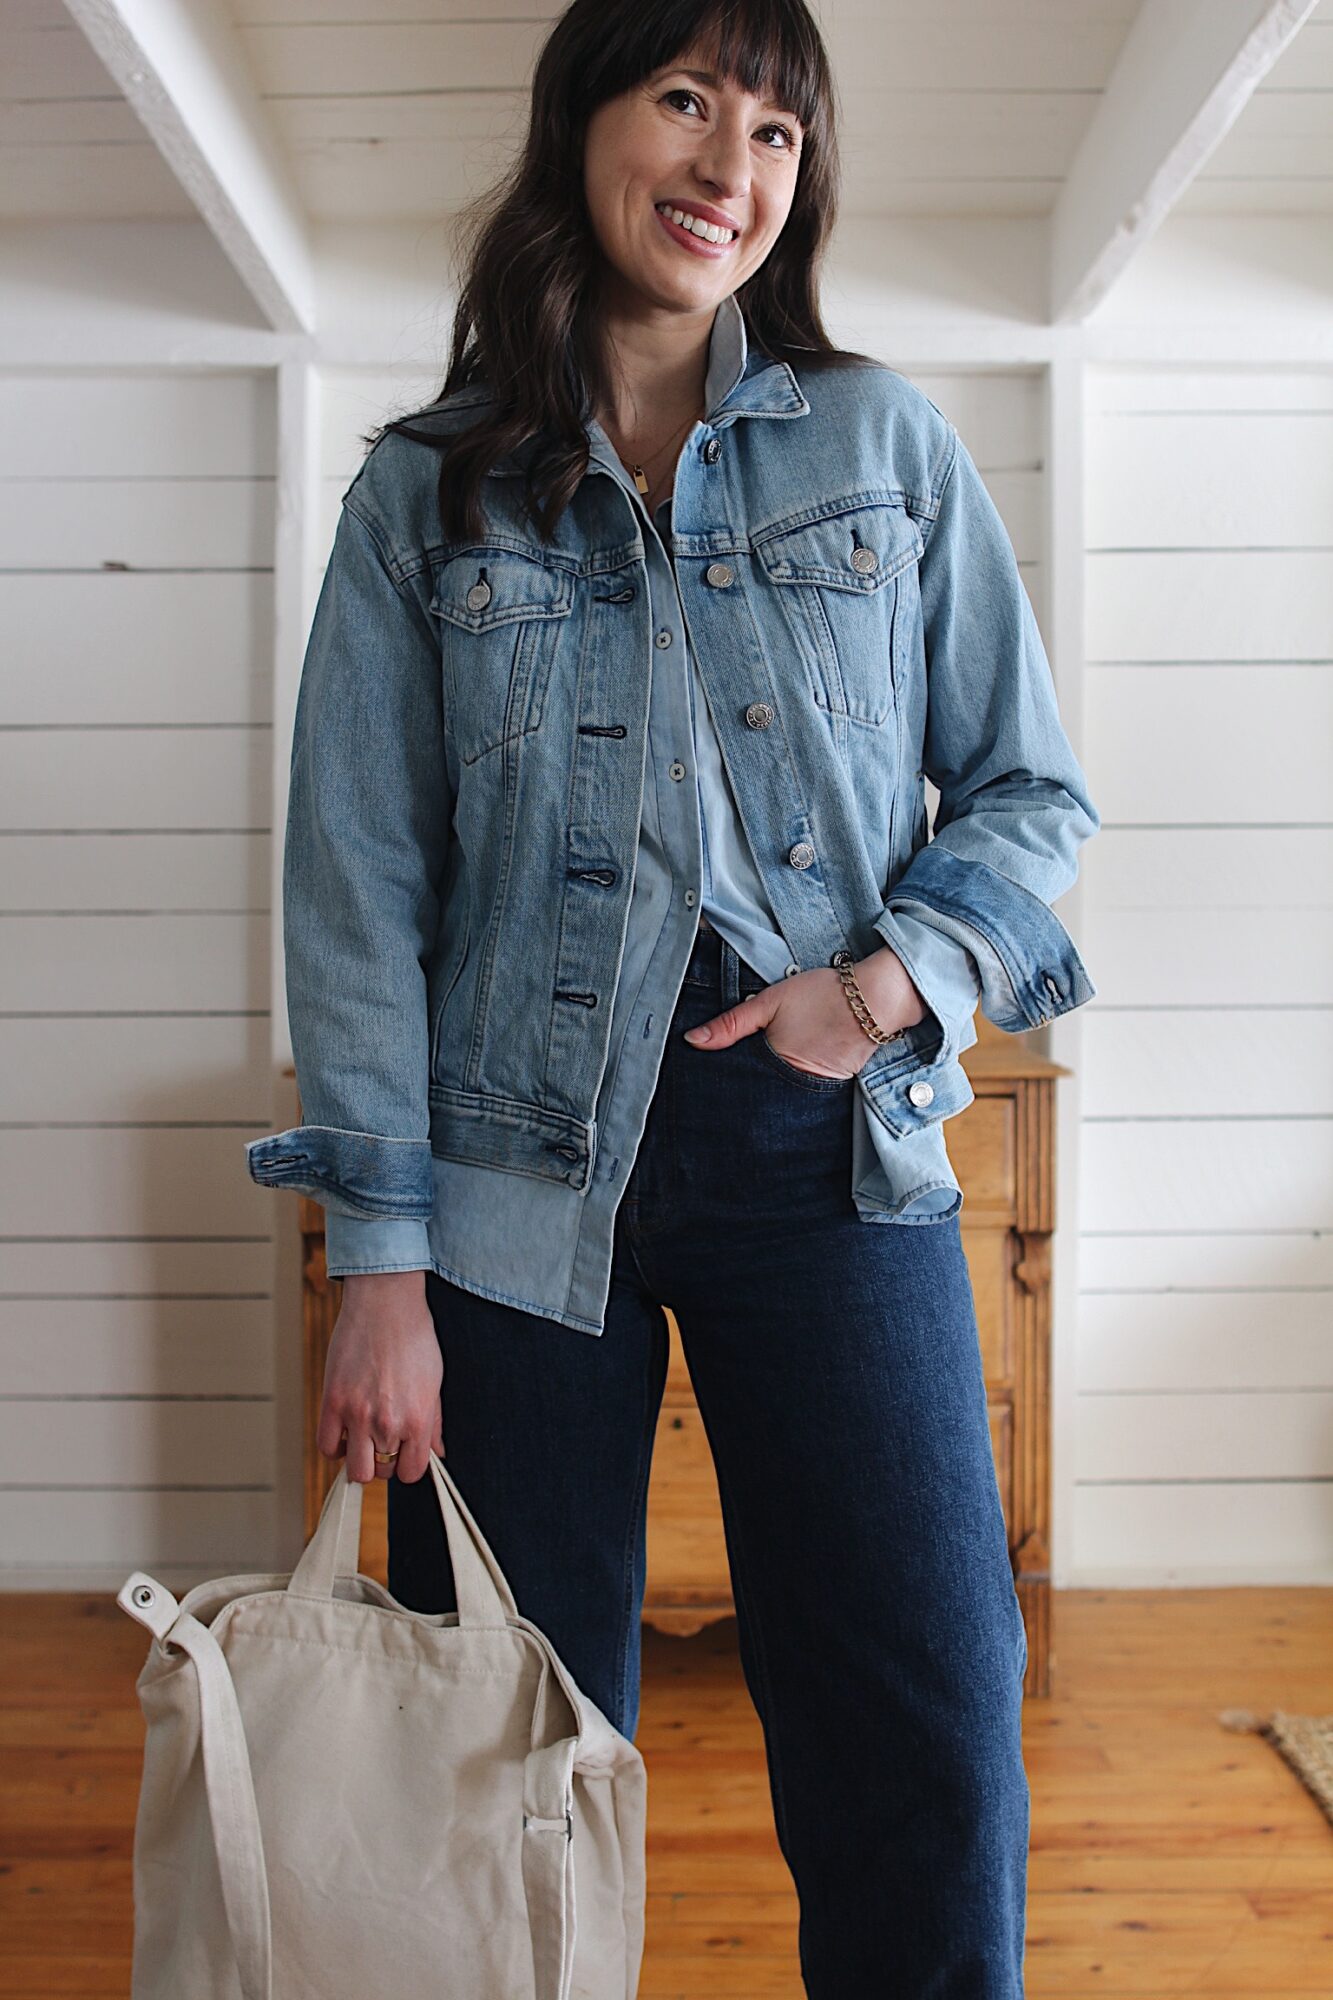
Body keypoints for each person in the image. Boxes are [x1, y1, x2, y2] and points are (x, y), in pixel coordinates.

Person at [245, 2, 1101, 1991]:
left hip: (826, 1149)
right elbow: (357, 896)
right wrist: (378, 1263)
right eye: (690, 102)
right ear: (588, 124)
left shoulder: (878, 437)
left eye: (781, 131)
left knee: (924, 1707)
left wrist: (881, 987)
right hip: (511, 1180)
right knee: (501, 1735)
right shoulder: (422, 494)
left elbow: (1030, 791)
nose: (734, 166)